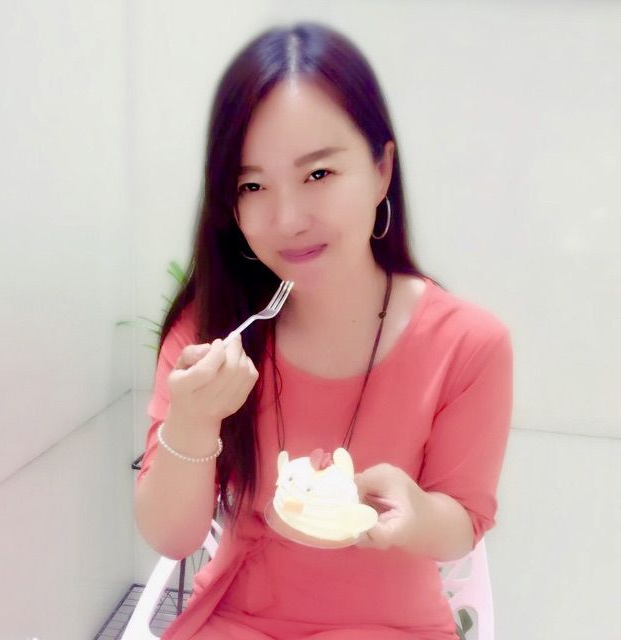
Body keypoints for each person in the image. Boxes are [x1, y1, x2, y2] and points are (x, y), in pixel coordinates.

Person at [134, 21, 513, 640]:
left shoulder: (468, 345)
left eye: (318, 174)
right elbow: (171, 537)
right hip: (237, 620)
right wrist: (193, 420)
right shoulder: (213, 330)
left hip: (389, 626)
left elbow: (463, 521)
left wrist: (417, 514)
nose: (288, 219)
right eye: (252, 185)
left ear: (382, 170)